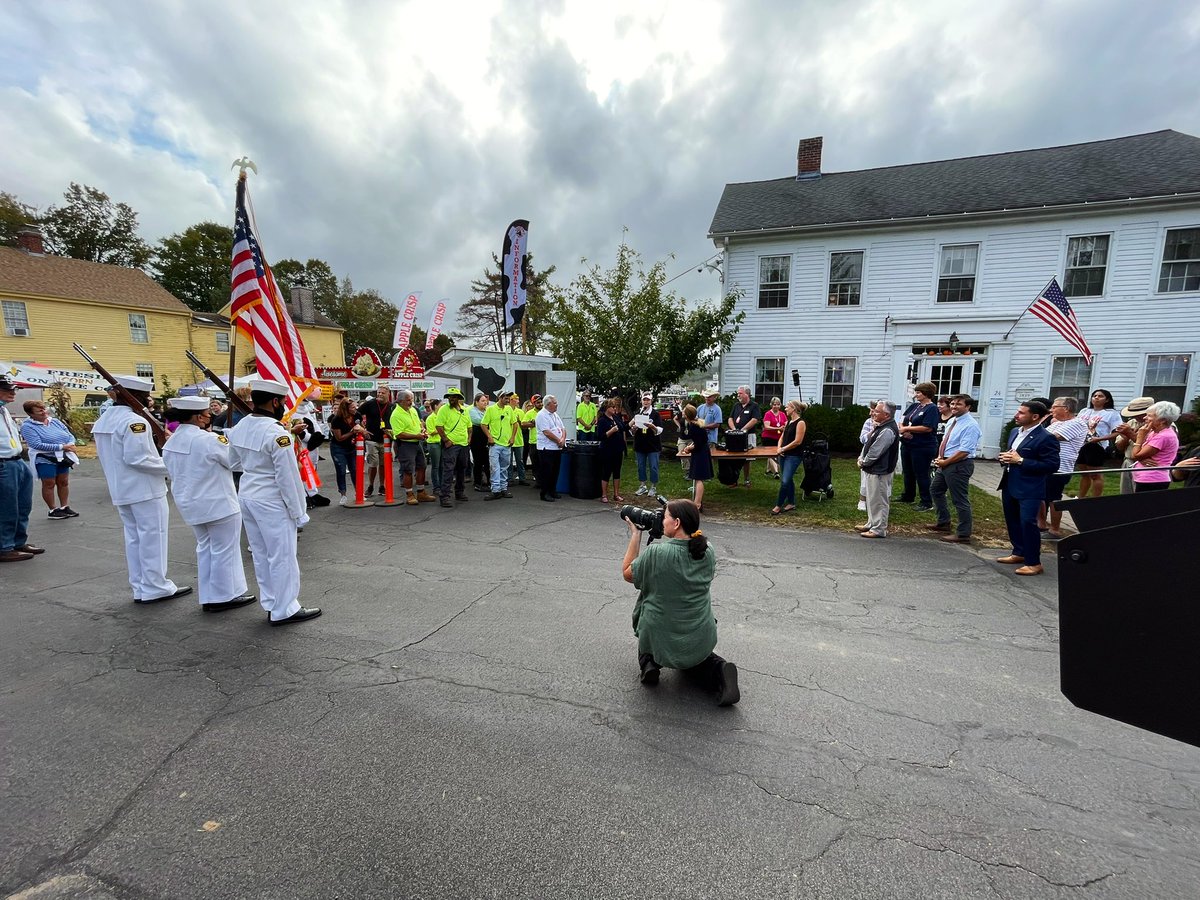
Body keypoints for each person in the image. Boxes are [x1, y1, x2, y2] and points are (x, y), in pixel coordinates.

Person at [621, 498, 740, 706]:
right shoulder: (707, 550)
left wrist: (636, 534)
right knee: (696, 660)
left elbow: (627, 573)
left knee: (651, 615)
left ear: (676, 523)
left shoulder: (657, 553)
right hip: (700, 633)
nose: (661, 520)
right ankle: (719, 671)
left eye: (664, 517)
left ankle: (649, 663)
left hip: (661, 634)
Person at [227, 379, 320, 626]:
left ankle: (271, 603)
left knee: (261, 554)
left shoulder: (241, 426)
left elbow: (233, 463)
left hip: (248, 494)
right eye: (283, 402)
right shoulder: (277, 433)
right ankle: (285, 608)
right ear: (275, 402)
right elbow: (288, 478)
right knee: (282, 556)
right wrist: (299, 512)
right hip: (271, 499)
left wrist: (254, 468)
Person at [92, 375, 191, 603]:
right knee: (153, 538)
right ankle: (156, 586)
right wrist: (173, 466)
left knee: (135, 539)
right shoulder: (134, 421)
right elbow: (139, 459)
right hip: (144, 489)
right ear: (134, 396)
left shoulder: (105, 419)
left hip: (121, 488)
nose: (148, 400)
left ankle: (140, 586)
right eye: (145, 395)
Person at [162, 397, 257, 613]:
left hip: (191, 504)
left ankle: (209, 594)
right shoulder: (209, 440)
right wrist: (234, 441)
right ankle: (223, 596)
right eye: (207, 413)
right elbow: (236, 463)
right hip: (218, 503)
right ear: (198, 417)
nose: (210, 416)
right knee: (224, 550)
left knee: (205, 548)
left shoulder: (172, 441)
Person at [996, 401, 1061, 576]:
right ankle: (1019, 552)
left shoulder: (1046, 437)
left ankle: (1034, 562)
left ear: (1035, 417)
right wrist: (1005, 458)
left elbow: (1052, 465)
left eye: (1021, 413)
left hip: (1030, 487)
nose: (1016, 415)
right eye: (1017, 411)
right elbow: (1013, 455)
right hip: (1010, 483)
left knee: (1028, 522)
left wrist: (1021, 461)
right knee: (1013, 520)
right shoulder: (1015, 432)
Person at [928, 394, 981, 543]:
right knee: (936, 489)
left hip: (959, 465)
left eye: (958, 404)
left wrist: (946, 462)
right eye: (952, 404)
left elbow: (964, 451)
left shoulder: (971, 425)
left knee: (959, 499)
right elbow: (946, 442)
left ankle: (963, 534)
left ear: (968, 407)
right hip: (945, 462)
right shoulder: (952, 420)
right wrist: (940, 458)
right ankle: (943, 522)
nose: (954, 406)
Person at [0, 374, 41, 562]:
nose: (13, 393)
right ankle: (4, 546)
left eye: (14, 389)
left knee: (23, 505)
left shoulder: (4, 410)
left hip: (17, 461)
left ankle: (18, 541)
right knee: (7, 507)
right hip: (3, 462)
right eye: (7, 390)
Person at [19, 399, 80, 519]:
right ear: (31, 414)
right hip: (44, 458)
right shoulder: (27, 426)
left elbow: (69, 435)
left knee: (63, 482)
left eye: (44, 408)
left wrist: (71, 444)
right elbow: (36, 444)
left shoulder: (55, 421)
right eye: (39, 411)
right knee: (49, 483)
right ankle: (53, 509)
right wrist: (61, 447)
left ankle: (64, 507)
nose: (44, 412)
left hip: (62, 456)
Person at [1041, 397, 1089, 538]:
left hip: (1059, 467)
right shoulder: (1057, 423)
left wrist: (1039, 424)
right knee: (1041, 496)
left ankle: (1055, 530)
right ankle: (1041, 525)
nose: (1051, 410)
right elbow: (1039, 435)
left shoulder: (1077, 423)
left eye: (1054, 407)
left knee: (1054, 498)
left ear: (1066, 408)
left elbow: (1051, 437)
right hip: (1046, 464)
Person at [856, 401, 901, 538]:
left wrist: (864, 462)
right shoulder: (881, 426)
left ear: (886, 415)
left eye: (876, 411)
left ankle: (879, 529)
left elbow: (876, 451)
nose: (873, 413)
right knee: (872, 499)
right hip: (874, 469)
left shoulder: (887, 430)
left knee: (879, 500)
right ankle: (871, 523)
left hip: (880, 470)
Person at [387, 389, 437, 506]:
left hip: (417, 442)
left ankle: (421, 492)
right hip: (405, 444)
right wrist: (416, 435)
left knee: (422, 466)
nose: (411, 402)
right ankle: (409, 494)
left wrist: (422, 430)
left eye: (411, 399)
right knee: (408, 470)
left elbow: (419, 423)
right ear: (400, 401)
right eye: (408, 400)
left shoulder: (413, 410)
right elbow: (399, 434)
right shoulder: (396, 415)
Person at [897, 382, 940, 511]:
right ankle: (908, 495)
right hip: (908, 444)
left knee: (921, 473)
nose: (916, 395)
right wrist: (903, 430)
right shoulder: (914, 406)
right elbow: (902, 419)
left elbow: (928, 427)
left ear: (926, 393)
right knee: (908, 471)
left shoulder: (932, 408)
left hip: (923, 446)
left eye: (919, 392)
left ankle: (926, 501)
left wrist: (908, 429)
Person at [1074, 389, 1123, 498]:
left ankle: (1096, 500)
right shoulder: (1084, 411)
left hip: (1097, 446)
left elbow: (1118, 432)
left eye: (1100, 396)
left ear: (1107, 400)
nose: (1096, 398)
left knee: (1095, 475)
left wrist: (1099, 439)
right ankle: (1080, 498)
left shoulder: (1111, 413)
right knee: (1084, 474)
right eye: (1094, 395)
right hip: (1081, 445)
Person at [434, 387, 472, 508]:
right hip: (451, 445)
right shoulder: (443, 409)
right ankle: (445, 496)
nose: (451, 399)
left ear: (459, 398)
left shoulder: (464, 410)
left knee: (462, 468)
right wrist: (446, 440)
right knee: (448, 470)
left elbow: (469, 427)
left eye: (454, 397)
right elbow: (439, 426)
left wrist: (469, 439)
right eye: (449, 397)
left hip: (463, 444)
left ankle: (459, 492)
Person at [1131, 401, 1181, 492]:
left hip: (1152, 479)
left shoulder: (1163, 436)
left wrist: (1140, 437)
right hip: (1145, 478)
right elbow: (1141, 453)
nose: (1145, 418)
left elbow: (1135, 455)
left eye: (1149, 416)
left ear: (1162, 420)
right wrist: (1141, 458)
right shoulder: (1155, 432)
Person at [770, 400, 807, 515]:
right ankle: (791, 503)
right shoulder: (788, 422)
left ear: (794, 409)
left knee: (785, 481)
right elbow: (782, 437)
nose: (785, 409)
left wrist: (783, 449)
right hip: (783, 455)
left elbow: (797, 441)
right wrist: (779, 448)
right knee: (788, 479)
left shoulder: (800, 423)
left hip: (794, 456)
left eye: (787, 407)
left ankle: (778, 505)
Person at [355, 385, 392, 498]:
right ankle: (370, 486)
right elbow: (357, 414)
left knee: (383, 464)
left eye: (382, 393)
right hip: (371, 439)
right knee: (373, 463)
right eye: (378, 392)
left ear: (388, 394)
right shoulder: (370, 403)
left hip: (386, 440)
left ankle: (382, 486)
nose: (380, 394)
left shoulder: (392, 406)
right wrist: (362, 428)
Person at [328, 396, 366, 505]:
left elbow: (362, 427)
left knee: (355, 469)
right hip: (338, 447)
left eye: (355, 406)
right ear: (346, 409)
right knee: (341, 470)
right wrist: (352, 432)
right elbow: (339, 438)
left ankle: (359, 492)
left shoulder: (357, 415)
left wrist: (362, 430)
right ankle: (343, 494)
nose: (355, 409)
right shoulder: (336, 420)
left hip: (352, 446)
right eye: (353, 407)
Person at [480, 390, 517, 501]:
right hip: (495, 444)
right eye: (506, 398)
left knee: (504, 468)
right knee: (495, 468)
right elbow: (483, 424)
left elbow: (515, 424)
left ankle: (503, 489)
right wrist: (489, 437)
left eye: (509, 398)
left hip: (506, 444)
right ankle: (496, 490)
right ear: (499, 398)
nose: (508, 400)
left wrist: (512, 437)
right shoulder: (491, 409)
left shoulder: (509, 409)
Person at [596, 398, 630, 503]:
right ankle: (604, 495)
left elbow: (623, 427)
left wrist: (633, 423)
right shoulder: (602, 420)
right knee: (606, 472)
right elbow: (600, 436)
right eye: (613, 407)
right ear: (607, 408)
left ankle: (616, 494)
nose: (615, 409)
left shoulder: (615, 417)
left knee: (617, 471)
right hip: (607, 450)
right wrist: (611, 431)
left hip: (618, 449)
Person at [727, 385, 761, 487]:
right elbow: (730, 418)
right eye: (738, 393)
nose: (738, 395)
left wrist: (743, 430)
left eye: (740, 393)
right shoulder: (736, 405)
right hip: (735, 435)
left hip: (748, 435)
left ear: (747, 394)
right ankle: (734, 479)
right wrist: (734, 429)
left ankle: (747, 479)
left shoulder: (754, 405)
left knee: (748, 458)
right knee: (734, 457)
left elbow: (754, 419)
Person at [535, 393, 567, 502]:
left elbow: (563, 428)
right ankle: (544, 493)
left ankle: (552, 490)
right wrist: (558, 440)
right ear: (548, 404)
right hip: (546, 448)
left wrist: (563, 439)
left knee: (555, 471)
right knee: (546, 472)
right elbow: (547, 432)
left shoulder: (555, 415)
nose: (557, 404)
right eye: (555, 403)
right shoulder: (541, 415)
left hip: (556, 448)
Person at [631, 393, 663, 497]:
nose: (646, 402)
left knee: (653, 466)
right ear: (641, 401)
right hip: (640, 444)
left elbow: (660, 430)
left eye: (648, 400)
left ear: (651, 401)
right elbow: (631, 431)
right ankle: (643, 485)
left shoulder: (655, 414)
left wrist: (652, 426)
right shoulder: (638, 413)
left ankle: (653, 486)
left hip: (653, 445)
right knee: (641, 466)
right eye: (644, 400)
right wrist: (634, 429)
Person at [856, 401, 878, 512]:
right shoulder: (868, 422)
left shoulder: (887, 423)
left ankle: (878, 502)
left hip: (881, 454)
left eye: (873, 411)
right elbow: (863, 439)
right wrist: (873, 430)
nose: (870, 413)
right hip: (867, 451)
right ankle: (862, 500)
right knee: (865, 477)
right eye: (870, 411)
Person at [468, 391, 491, 492]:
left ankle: (489, 481)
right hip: (477, 438)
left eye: (486, 401)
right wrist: (488, 421)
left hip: (486, 437)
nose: (485, 403)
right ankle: (477, 482)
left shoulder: (487, 410)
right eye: (482, 401)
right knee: (478, 461)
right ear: (476, 402)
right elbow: (480, 421)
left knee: (487, 461)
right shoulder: (472, 411)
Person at [507, 393, 529, 486]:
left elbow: (524, 426)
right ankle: (510, 479)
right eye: (516, 399)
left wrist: (519, 421)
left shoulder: (520, 411)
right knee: (509, 461)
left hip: (518, 439)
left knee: (520, 460)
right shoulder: (506, 410)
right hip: (508, 439)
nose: (518, 401)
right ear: (511, 400)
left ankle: (522, 478)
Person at [761, 397, 786, 479]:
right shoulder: (768, 414)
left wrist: (785, 428)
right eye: (774, 404)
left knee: (777, 453)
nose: (776, 406)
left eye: (778, 404)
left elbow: (786, 424)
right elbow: (766, 427)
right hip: (768, 437)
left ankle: (768, 470)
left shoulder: (782, 414)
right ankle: (776, 472)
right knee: (771, 454)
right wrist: (778, 428)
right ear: (771, 405)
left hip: (779, 438)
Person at [423, 398, 443, 496]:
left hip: (441, 443)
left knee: (442, 466)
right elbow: (431, 431)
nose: (442, 407)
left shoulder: (442, 416)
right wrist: (442, 429)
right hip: (434, 444)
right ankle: (436, 487)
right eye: (441, 405)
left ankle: (442, 486)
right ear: (435, 406)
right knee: (435, 466)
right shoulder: (431, 418)